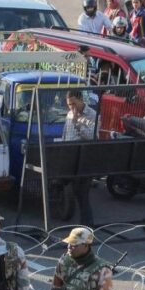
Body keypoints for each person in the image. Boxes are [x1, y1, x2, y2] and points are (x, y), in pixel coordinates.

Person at [62, 91, 97, 228]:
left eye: (74, 104)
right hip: (69, 157)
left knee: (82, 192)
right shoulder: (69, 114)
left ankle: (87, 224)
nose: (71, 107)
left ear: (81, 100)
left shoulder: (92, 115)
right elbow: (65, 133)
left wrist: (77, 124)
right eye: (69, 104)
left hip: (84, 159)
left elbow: (92, 136)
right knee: (75, 191)